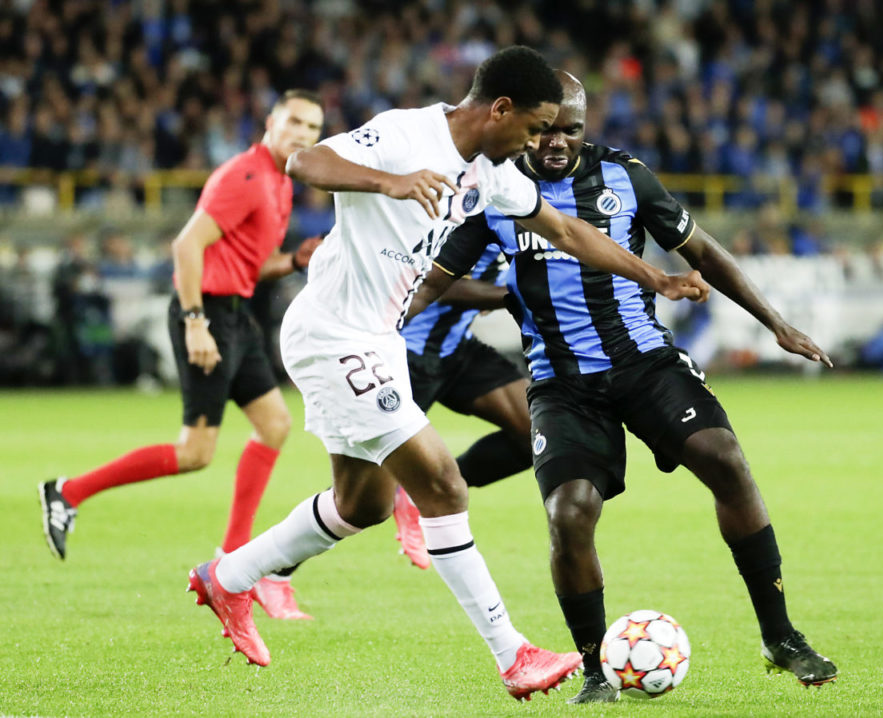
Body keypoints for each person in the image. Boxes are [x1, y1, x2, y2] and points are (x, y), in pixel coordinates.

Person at [185, 47, 704, 701]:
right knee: (444, 485)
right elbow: (305, 161)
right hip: (332, 333)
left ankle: (226, 579)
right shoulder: (406, 134)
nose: (541, 141)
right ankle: (513, 655)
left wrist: (655, 275)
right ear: (501, 109)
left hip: (376, 340)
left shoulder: (494, 175)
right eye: (536, 125)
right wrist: (389, 182)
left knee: (361, 505)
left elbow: (569, 232)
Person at [409, 71, 839, 704]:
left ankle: (781, 636)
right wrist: (377, 324)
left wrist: (775, 322)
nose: (557, 142)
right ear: (529, 123)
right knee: (570, 512)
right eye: (547, 129)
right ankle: (593, 671)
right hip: (560, 383)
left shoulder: (626, 177)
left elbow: (703, 251)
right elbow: (437, 274)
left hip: (644, 362)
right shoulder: (497, 189)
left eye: (571, 130)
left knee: (725, 460)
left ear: (587, 127)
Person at [39, 90, 326, 621]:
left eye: (313, 126)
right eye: (293, 121)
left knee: (276, 424)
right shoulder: (245, 174)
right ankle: (67, 491)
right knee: (195, 452)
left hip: (237, 314)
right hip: (208, 314)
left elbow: (247, 263)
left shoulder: (282, 182)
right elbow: (186, 246)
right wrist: (196, 323)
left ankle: (232, 558)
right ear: (270, 122)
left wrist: (291, 262)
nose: (302, 133)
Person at [391, 247, 532, 570]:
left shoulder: (524, 209)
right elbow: (439, 284)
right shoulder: (464, 210)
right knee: (363, 496)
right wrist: (514, 295)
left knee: (540, 430)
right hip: (407, 353)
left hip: (456, 348)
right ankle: (273, 570)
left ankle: (420, 494)